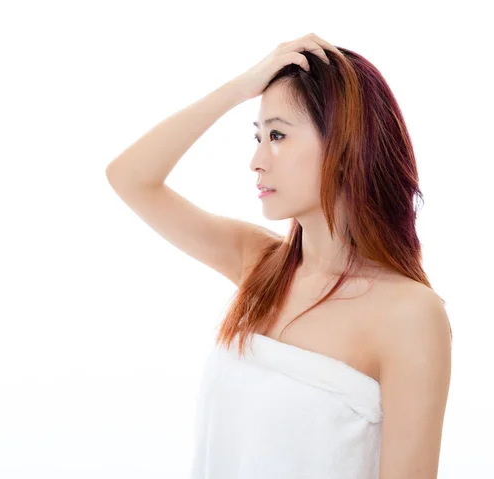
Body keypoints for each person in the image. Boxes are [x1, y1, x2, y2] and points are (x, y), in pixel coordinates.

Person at [106, 33, 452, 479]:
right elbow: (130, 177)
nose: (256, 159)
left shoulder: (410, 315)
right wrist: (240, 88)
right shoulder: (259, 265)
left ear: (343, 148)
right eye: (258, 135)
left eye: (277, 135)